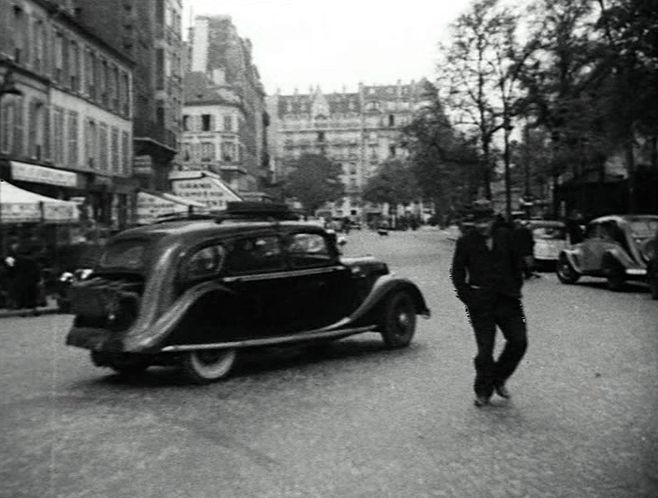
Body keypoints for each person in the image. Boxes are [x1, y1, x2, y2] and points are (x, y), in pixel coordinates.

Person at [450, 206, 528, 407]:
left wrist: (515, 287)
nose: (482, 226)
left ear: (493, 220)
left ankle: (499, 377)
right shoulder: (465, 242)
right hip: (480, 303)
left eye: (486, 221)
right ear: (472, 223)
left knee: (519, 342)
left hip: (508, 300)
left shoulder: (506, 236)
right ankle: (483, 391)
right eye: (478, 222)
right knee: (485, 350)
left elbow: (516, 264)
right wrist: (468, 297)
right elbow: (457, 274)